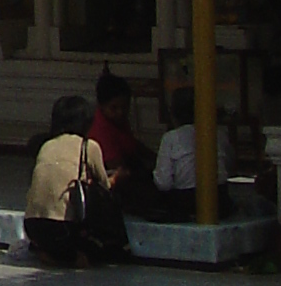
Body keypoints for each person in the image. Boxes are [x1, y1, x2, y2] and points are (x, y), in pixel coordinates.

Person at [24, 93, 127, 264]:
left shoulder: (46, 145)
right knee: (100, 251)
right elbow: (105, 186)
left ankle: (48, 251)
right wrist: (118, 176)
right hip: (62, 228)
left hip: (32, 227)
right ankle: (71, 257)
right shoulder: (88, 146)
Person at [150, 86, 233, 218]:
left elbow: (164, 183)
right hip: (220, 199)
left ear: (173, 113)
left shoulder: (171, 138)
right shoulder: (220, 134)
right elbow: (229, 166)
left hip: (185, 202)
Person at [88, 69, 154, 207]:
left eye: (124, 107)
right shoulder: (100, 129)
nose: (120, 112)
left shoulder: (119, 121)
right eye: (114, 108)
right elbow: (117, 168)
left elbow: (132, 144)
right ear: (102, 106)